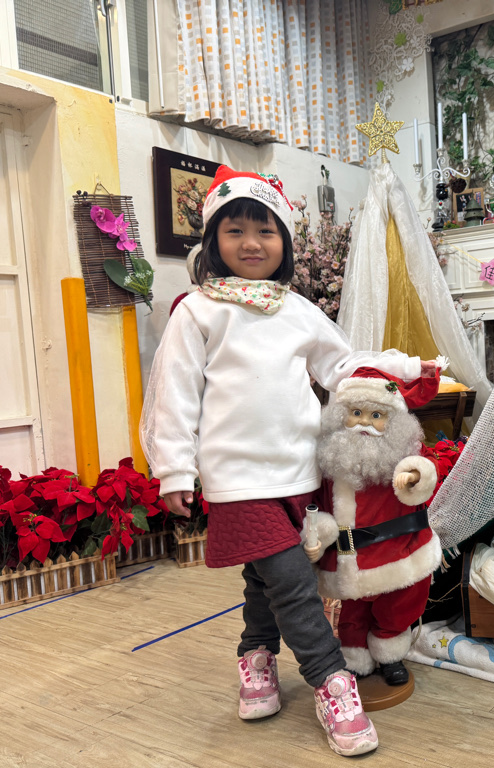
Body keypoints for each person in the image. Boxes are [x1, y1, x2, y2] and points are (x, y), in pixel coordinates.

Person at [141, 165, 436, 757]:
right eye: (235, 231)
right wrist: (173, 468)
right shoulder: (198, 312)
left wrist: (402, 368)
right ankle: (331, 681)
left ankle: (255, 658)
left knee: (265, 578)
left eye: (265, 230)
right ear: (212, 242)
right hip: (237, 477)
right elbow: (172, 394)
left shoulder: (297, 310)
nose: (251, 243)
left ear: (284, 242)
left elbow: (341, 366)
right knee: (294, 584)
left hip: (300, 473)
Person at [304, 368, 441, 687]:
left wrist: (415, 476)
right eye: (356, 413)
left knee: (397, 606)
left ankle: (390, 654)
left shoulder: (403, 452)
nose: (364, 422)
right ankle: (355, 656)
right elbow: (317, 505)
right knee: (352, 613)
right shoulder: (331, 458)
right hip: (349, 557)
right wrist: (317, 536)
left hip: (397, 551)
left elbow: (427, 469)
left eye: (376, 415)